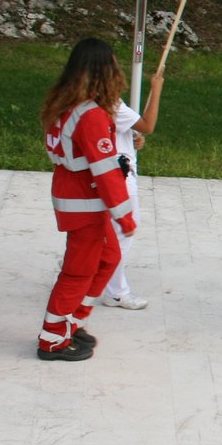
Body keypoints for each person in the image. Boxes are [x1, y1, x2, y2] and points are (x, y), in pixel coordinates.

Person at [37, 39, 136, 362]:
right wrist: (125, 216)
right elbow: (106, 171)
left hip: (75, 197)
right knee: (78, 271)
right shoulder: (90, 114)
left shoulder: (67, 105)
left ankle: (73, 322)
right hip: (85, 203)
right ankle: (52, 339)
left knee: (107, 259)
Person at [101, 67, 165, 310]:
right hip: (120, 176)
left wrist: (131, 139)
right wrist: (156, 89)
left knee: (106, 232)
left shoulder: (91, 103)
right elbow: (147, 125)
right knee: (122, 234)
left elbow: (128, 131)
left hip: (110, 171)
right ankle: (116, 291)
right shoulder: (112, 105)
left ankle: (97, 279)